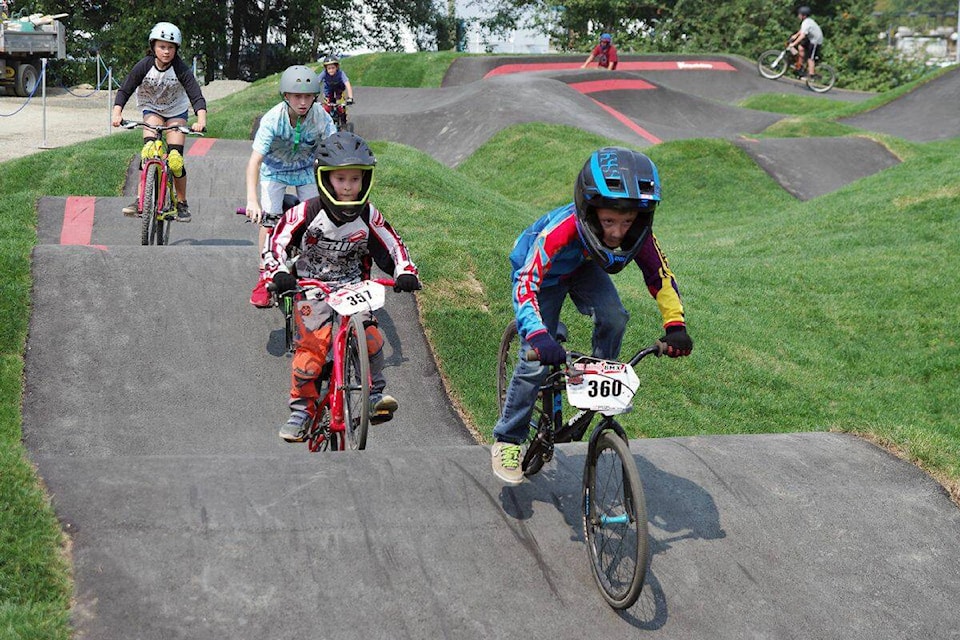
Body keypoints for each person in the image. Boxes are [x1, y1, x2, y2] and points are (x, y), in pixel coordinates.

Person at [491, 147, 693, 485]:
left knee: (615, 315)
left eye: (627, 222)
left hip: (582, 267)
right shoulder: (562, 228)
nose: (617, 233)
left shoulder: (640, 236)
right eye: (609, 221)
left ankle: (597, 380)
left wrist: (676, 326)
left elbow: (661, 276)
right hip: (543, 275)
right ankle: (507, 440)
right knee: (534, 363)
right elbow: (527, 281)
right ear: (590, 211)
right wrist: (539, 335)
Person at [263, 132, 422, 442]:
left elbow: (394, 244)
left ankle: (374, 394)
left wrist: (405, 271)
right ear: (325, 179)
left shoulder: (368, 214)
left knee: (372, 337)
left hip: (352, 286)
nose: (348, 186)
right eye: (340, 179)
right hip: (311, 286)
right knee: (311, 352)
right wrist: (279, 273)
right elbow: (276, 244)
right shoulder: (305, 213)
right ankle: (302, 410)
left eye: (355, 179)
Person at [246, 65, 337, 308]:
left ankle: (314, 270)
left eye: (308, 96)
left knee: (316, 220)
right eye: (297, 96)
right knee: (270, 220)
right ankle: (265, 274)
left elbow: (335, 150)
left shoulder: (321, 117)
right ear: (286, 96)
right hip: (274, 171)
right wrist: (252, 200)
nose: (303, 101)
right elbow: (254, 161)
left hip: (306, 171)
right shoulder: (273, 119)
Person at [112, 22, 207, 222]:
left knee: (175, 160)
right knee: (148, 152)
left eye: (170, 47)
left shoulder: (180, 69)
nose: (166, 51)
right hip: (152, 108)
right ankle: (141, 200)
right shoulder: (144, 66)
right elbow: (125, 89)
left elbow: (196, 95)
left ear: (176, 49)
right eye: (162, 47)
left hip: (176, 111)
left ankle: (181, 202)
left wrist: (201, 120)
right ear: (153, 46)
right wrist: (117, 113)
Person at [787, 6, 823, 78]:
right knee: (801, 48)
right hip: (811, 39)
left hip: (816, 41)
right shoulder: (806, 21)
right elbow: (802, 30)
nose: (798, 15)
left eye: (799, 14)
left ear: (804, 15)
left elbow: (802, 36)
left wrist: (794, 43)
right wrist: (795, 35)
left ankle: (811, 75)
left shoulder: (806, 22)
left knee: (810, 58)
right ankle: (800, 67)